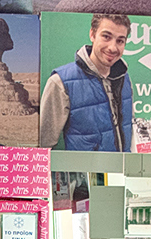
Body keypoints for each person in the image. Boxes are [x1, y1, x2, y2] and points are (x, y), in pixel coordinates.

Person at [39, 13, 134, 152]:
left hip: (122, 166)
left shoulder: (124, 78)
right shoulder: (60, 81)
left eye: (120, 41)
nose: (113, 48)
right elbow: (43, 145)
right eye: (106, 37)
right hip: (83, 166)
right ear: (92, 34)